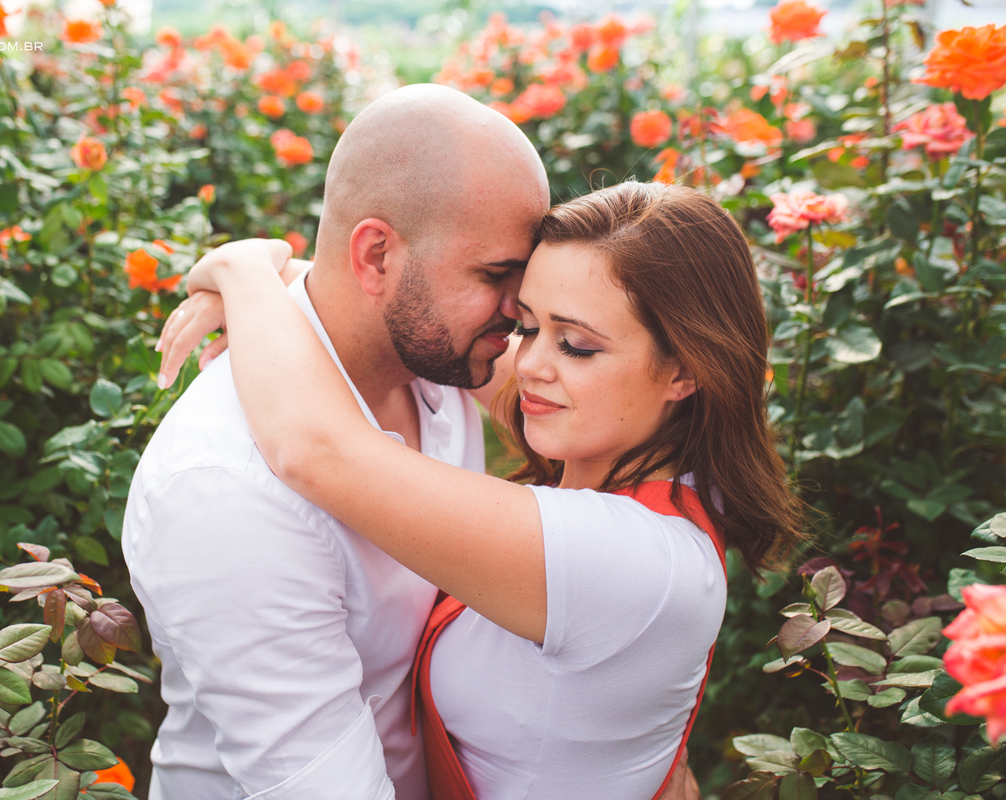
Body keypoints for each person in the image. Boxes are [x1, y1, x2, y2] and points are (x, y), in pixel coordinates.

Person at [156, 180, 806, 799]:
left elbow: (317, 450)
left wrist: (243, 271)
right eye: (527, 325)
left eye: (576, 344)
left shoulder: (632, 559)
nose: (529, 364)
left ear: (685, 371)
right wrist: (290, 289)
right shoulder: (646, 457)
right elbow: (417, 322)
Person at [122, 82, 549, 800]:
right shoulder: (227, 488)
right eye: (495, 275)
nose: (520, 311)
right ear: (376, 256)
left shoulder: (442, 359)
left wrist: (253, 272)